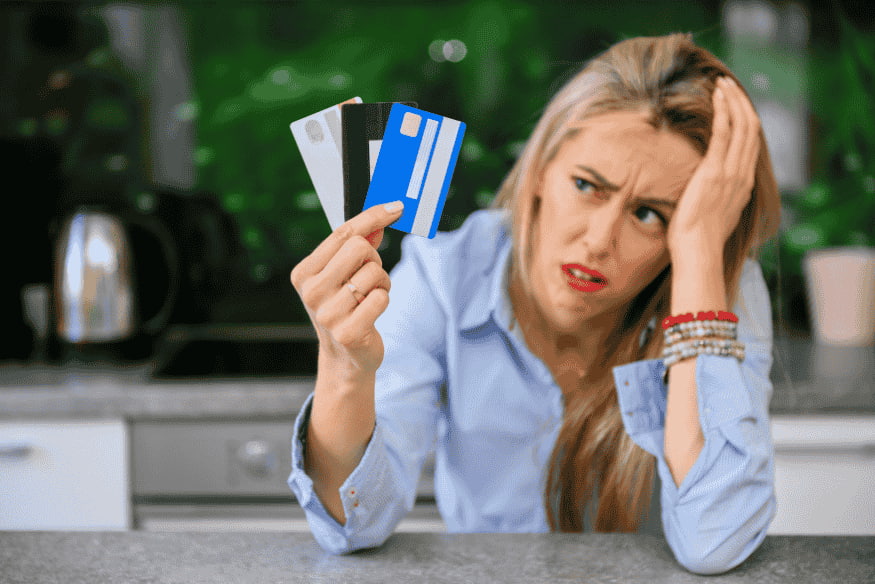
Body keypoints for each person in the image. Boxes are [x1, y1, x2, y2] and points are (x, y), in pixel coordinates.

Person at [288, 32, 781, 575]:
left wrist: (698, 259)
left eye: (650, 215)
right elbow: (355, 526)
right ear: (541, 167)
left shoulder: (716, 285)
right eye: (588, 185)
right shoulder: (444, 276)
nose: (599, 240)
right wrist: (342, 364)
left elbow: (715, 542)